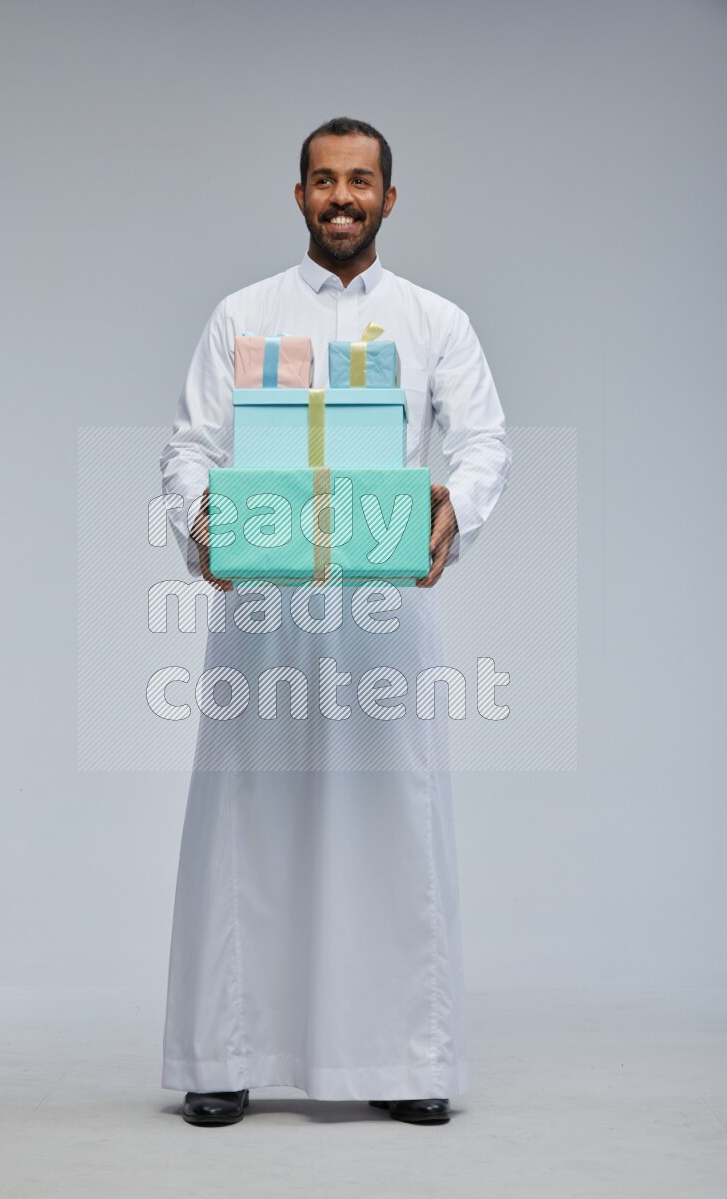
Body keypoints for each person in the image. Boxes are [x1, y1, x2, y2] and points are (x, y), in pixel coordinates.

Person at [159, 116, 511, 1127]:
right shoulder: (243, 315)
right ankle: (224, 1052)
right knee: (246, 820)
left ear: (388, 198)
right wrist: (201, 519)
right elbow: (189, 444)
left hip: (379, 618)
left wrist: (455, 505)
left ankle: (403, 1057)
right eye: (323, 180)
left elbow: (483, 438)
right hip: (264, 613)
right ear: (299, 194)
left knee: (386, 819)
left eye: (360, 181)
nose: (341, 197)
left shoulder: (432, 321)